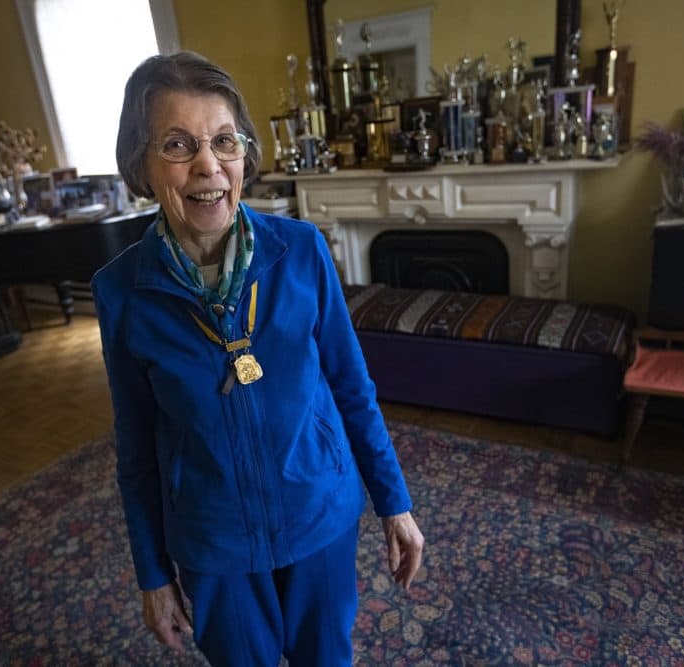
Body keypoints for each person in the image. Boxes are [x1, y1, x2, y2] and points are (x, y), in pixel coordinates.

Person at [92, 51, 424, 666]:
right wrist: (151, 571)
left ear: (245, 152)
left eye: (225, 140)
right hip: (211, 538)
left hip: (318, 513)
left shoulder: (301, 250)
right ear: (139, 163)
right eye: (176, 144)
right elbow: (135, 445)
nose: (208, 165)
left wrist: (394, 501)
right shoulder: (121, 292)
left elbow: (352, 387)